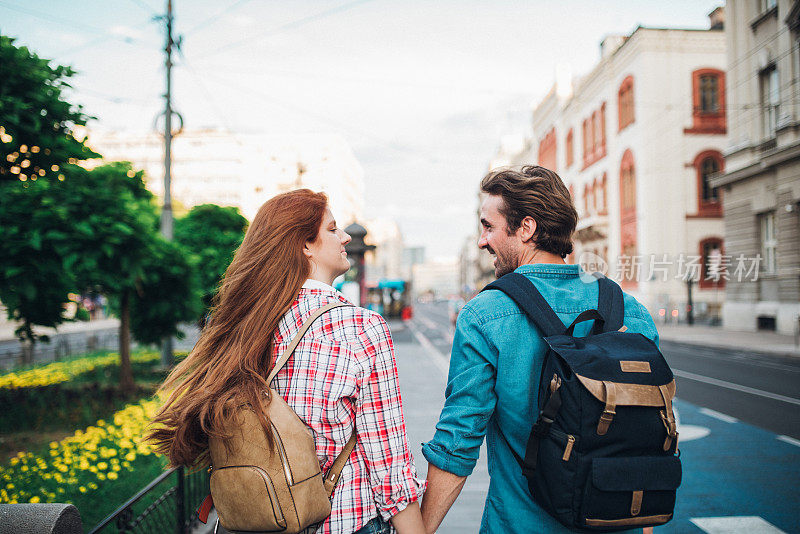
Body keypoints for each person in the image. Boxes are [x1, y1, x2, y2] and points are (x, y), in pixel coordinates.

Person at [149, 189, 426, 534]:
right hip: (341, 522)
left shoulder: (247, 324)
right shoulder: (360, 327)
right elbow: (389, 466)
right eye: (332, 229)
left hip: (256, 523)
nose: (344, 237)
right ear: (305, 245)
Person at [419, 166, 659, 534]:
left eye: (489, 226)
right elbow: (647, 435)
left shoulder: (485, 314)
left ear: (526, 229)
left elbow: (458, 440)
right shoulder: (630, 309)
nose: (483, 241)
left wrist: (421, 528)